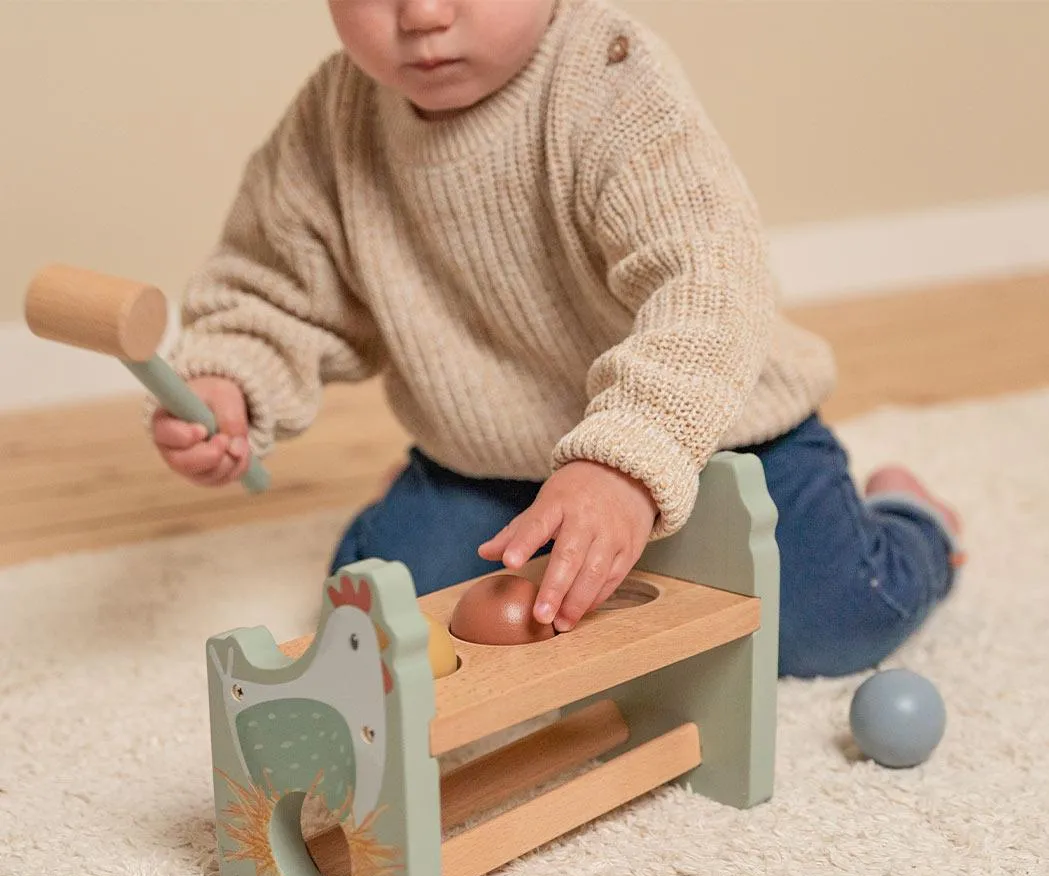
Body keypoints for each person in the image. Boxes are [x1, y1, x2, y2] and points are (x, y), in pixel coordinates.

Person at [150, 0, 963, 678]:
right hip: (495, 458)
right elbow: (274, 287)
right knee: (385, 618)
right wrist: (232, 383)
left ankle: (912, 517)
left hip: (713, 431)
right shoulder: (333, 120)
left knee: (840, 616)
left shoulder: (607, 77)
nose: (424, 14)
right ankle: (422, 492)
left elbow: (709, 282)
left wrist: (623, 462)